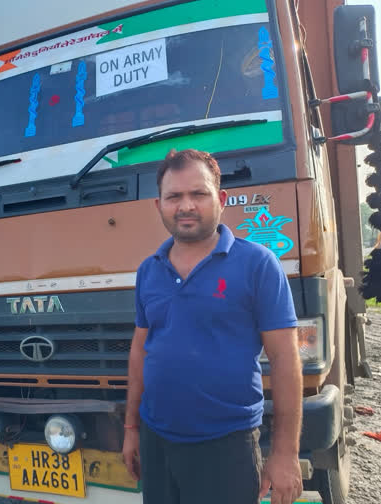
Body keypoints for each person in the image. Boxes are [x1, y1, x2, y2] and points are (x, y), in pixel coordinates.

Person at [122, 149, 303, 504]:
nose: (186, 206)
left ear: (220, 199)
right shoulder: (149, 269)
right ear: (158, 205)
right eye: (174, 196)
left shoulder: (257, 264)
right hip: (156, 439)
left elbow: (285, 359)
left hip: (226, 443)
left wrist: (285, 454)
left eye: (198, 194)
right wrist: (131, 429)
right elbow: (140, 350)